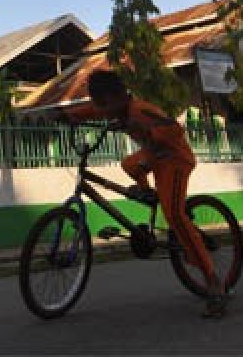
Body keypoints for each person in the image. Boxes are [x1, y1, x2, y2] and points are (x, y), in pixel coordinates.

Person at [63, 69, 228, 318]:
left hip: (175, 160)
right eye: (100, 106)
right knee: (129, 164)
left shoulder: (140, 110)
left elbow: (174, 129)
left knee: (173, 214)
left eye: (104, 106)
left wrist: (150, 138)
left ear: (117, 97)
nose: (102, 112)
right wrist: (68, 115)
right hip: (154, 158)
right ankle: (147, 191)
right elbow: (91, 110)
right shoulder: (115, 108)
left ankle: (213, 282)